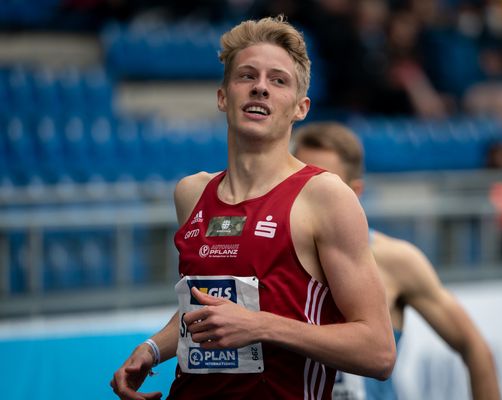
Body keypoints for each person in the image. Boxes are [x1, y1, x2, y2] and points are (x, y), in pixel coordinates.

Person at [110, 15, 396, 400]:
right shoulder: (191, 193)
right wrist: (152, 349)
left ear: (301, 107)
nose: (261, 88)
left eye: (278, 81)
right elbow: (208, 311)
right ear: (223, 96)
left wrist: (262, 327)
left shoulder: (324, 196)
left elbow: (378, 351)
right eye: (247, 76)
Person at [292, 122, 501, 400]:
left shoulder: (395, 260)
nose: (310, 197)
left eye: (326, 186)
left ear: (355, 192)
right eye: (300, 183)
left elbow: (475, 348)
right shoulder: (265, 254)